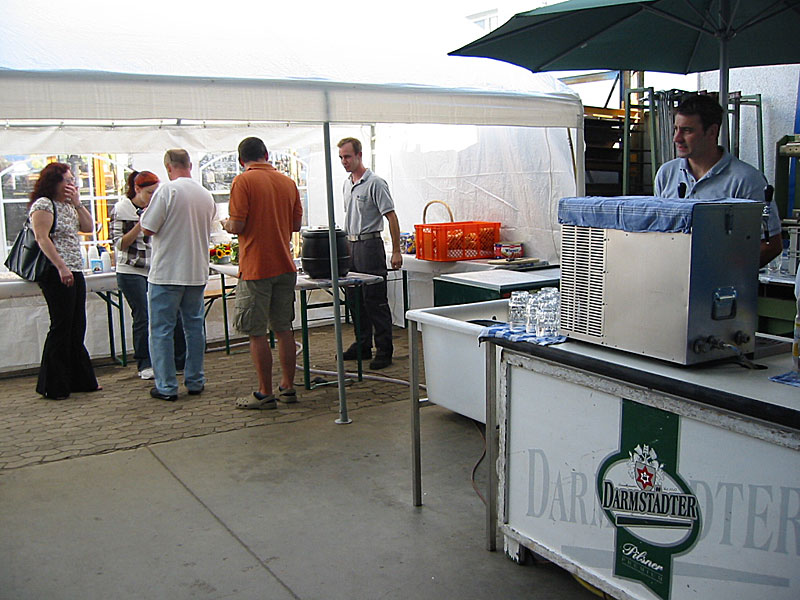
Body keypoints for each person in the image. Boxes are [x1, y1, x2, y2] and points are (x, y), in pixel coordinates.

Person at [654, 94, 782, 267]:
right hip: (672, 276)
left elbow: (771, 245)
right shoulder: (666, 174)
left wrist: (723, 273)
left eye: (687, 130)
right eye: (676, 129)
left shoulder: (746, 180)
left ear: (712, 132)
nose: (676, 138)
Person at [223, 137, 303, 409]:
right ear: (266, 155)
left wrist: (225, 224)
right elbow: (296, 224)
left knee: (256, 332)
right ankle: (288, 387)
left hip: (256, 267)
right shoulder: (288, 182)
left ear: (241, 160)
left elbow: (237, 225)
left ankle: (264, 392)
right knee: (284, 328)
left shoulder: (242, 181)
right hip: (285, 264)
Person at [140, 149, 215, 401]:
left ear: (168, 167)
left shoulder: (167, 191)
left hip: (167, 271)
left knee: (162, 330)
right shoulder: (205, 194)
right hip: (196, 270)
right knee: (194, 328)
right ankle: (195, 379)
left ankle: (166, 385)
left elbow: (148, 227)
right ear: (190, 165)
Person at [28, 162, 101, 399]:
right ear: (55, 182)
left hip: (75, 268)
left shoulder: (69, 205)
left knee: (77, 325)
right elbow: (42, 237)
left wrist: (78, 203)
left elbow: (89, 228)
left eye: (73, 180)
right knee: (61, 325)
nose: (72, 184)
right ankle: (54, 384)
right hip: (55, 270)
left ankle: (79, 379)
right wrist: (61, 266)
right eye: (67, 180)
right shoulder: (44, 205)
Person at [111, 170, 186, 380]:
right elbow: (119, 244)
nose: (152, 197)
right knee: (143, 315)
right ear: (137, 189)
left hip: (157, 269)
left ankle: (179, 360)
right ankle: (145, 363)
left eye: (156, 192)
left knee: (173, 313)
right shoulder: (122, 208)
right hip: (131, 270)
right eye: (149, 193)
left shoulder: (159, 206)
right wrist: (140, 224)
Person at [337, 137, 402, 369]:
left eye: (347, 156)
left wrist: (396, 251)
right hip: (352, 246)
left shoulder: (375, 183)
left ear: (359, 155)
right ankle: (362, 344)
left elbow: (391, 217)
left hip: (370, 246)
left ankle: (384, 349)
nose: (344, 161)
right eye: (341, 157)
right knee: (354, 299)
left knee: (375, 299)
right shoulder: (347, 184)